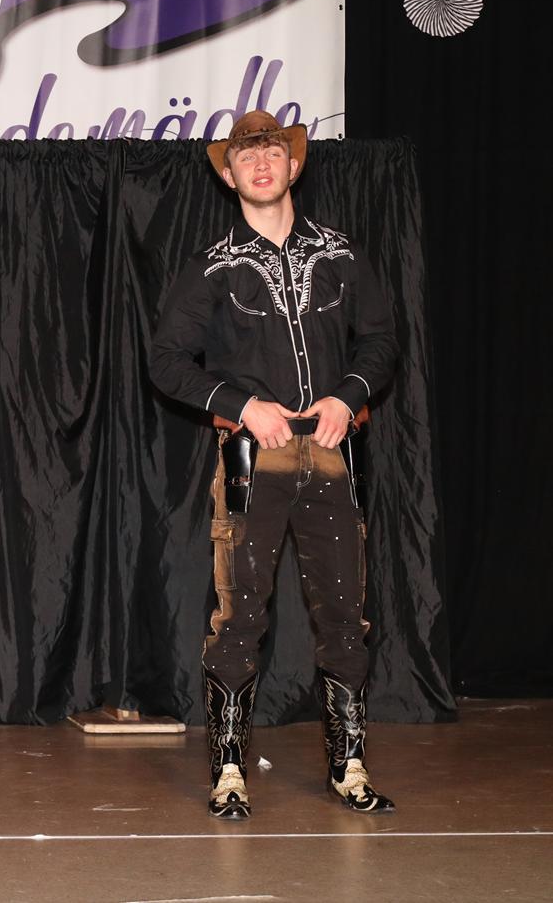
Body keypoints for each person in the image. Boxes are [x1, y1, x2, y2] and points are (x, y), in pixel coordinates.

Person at [149, 110, 400, 818]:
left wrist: (349, 396)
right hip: (252, 460)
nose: (260, 163)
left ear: (294, 165)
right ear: (229, 176)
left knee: (345, 615)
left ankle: (349, 766)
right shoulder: (212, 266)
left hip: (334, 455)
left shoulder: (341, 254)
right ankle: (229, 769)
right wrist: (241, 404)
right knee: (239, 616)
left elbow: (381, 340)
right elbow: (166, 359)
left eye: (271, 152)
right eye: (245, 155)